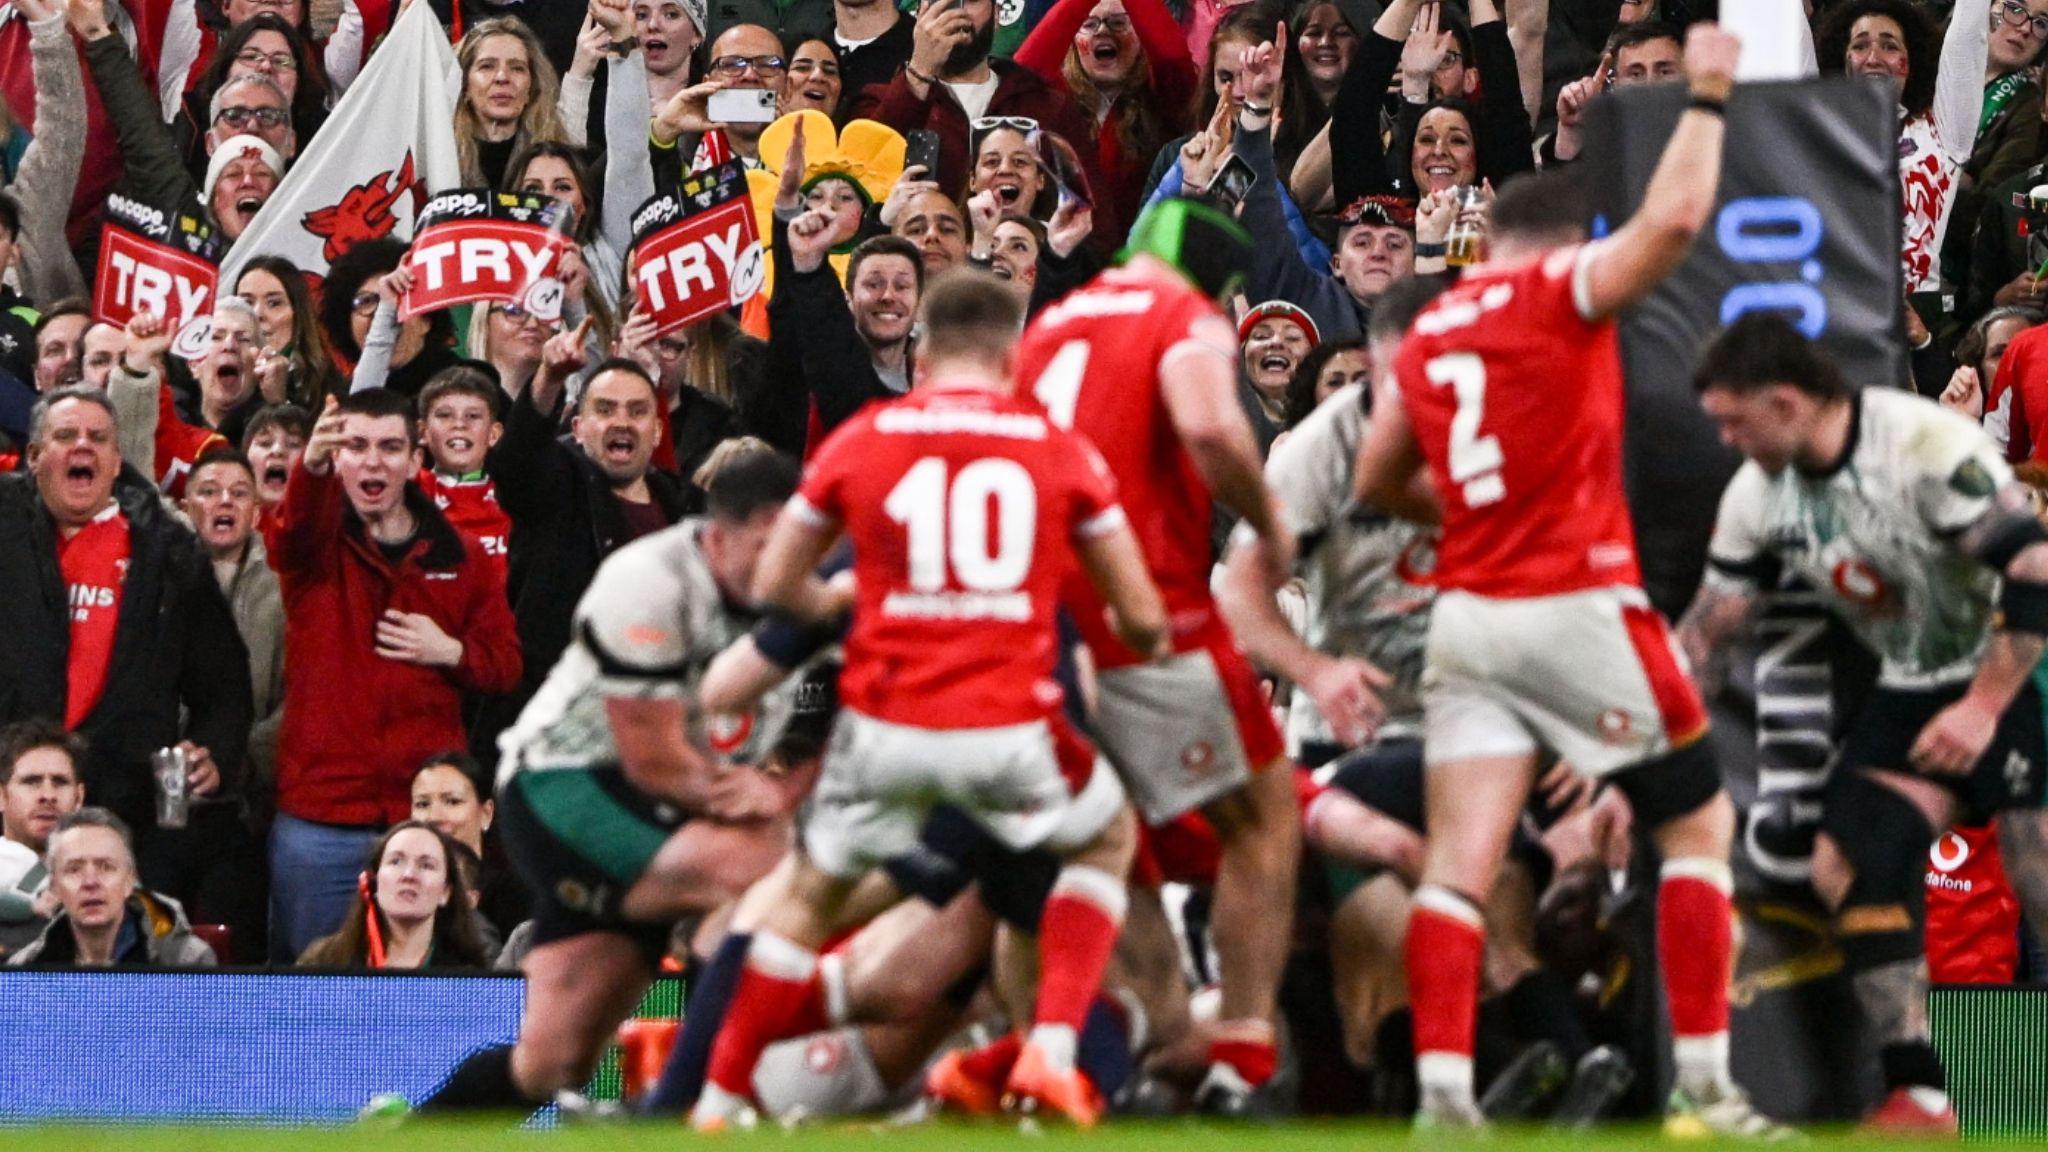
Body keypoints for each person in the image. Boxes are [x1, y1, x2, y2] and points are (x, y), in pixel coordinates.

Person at [1348, 24, 1775, 1134]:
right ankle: (1705, 1089)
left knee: (1457, 863)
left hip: (1471, 618)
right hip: (1578, 601)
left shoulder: (1436, 322)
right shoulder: (1557, 292)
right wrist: (1714, 89)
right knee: (1692, 831)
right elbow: (1675, 220)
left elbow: (1374, 474)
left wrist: (1469, 516)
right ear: (1567, 242)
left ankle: (1444, 1098)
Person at [691, 271, 1165, 1130]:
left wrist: (841, 603)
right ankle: (1055, 1055)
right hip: (1013, 731)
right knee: (1104, 838)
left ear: (922, 350)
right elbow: (1140, 615)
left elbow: (773, 582)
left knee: (803, 904)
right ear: (1012, 354)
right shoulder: (1054, 446)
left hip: (884, 729)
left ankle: (715, 1098)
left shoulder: (865, 438)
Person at [1680, 314, 2048, 1133]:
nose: (1727, 441)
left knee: (2040, 881)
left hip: (2011, 671)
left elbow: (2034, 568)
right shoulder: (1756, 493)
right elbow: (1709, 633)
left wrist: (1985, 707)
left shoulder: (1919, 446)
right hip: (1913, 683)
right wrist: (1640, 750)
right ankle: (1918, 1092)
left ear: (1783, 402)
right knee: (1842, 860)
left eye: (1733, 421)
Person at [373, 451, 803, 1118]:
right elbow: (652, 758)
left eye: (795, 547)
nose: (781, 567)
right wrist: (763, 802)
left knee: (552, 1060)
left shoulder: (807, 598)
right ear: (716, 537)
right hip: (566, 790)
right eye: (763, 547)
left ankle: (404, 1136)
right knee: (767, 869)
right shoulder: (650, 580)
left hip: (661, 814)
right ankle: (680, 1112)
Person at [1008, 196, 1298, 1115]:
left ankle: (1076, 1063)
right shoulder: (1185, 316)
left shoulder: (1051, 325)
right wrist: (1270, 523)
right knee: (1267, 817)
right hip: (1147, 615)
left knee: (1105, 852)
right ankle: (1243, 1057)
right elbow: (1211, 427)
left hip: (1045, 632)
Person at [267, 390, 522, 961]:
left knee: (435, 989)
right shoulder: (313, 550)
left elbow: (505, 665)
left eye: (389, 447)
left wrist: (452, 651)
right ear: (336, 459)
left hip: (425, 820)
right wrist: (308, 468)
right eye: (355, 447)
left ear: (415, 461)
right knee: (307, 995)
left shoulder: (462, 559)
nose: (372, 462)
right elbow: (289, 534)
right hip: (321, 820)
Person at [0, 387, 254, 913]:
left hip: (128, 815)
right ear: (33, 457)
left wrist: (213, 751)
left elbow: (225, 684)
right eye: (65, 436)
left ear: (118, 461)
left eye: (98, 438)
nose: (83, 448)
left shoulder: (168, 550)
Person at [473, 351, 692, 777]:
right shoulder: (557, 487)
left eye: (637, 411)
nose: (622, 422)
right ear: (578, 428)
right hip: (559, 741)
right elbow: (514, 466)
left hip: (653, 745)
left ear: (656, 430)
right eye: (605, 410)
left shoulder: (684, 509)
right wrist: (549, 380)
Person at [1817, 0, 1991, 296]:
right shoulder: (1817, 134)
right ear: (1842, 59)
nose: (1873, 58)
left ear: (1913, 61)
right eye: (1860, 46)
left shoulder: (1940, 134)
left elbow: (1968, 37)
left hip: (1917, 317)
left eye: (1889, 46)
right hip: (1834, 309)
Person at [855, 0, 1100, 197]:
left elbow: (1094, 220)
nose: (955, 14)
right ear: (919, 14)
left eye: (970, 0)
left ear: (996, 14)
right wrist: (920, 70)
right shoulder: (876, 101)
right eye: (940, 2)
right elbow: (861, 187)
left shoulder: (1046, 105)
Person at [1013, 0, 1199, 241]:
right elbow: (1021, 74)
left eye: (1118, 23)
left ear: (1142, 35)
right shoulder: (1055, 101)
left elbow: (1172, 57)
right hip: (1064, 259)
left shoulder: (1163, 98)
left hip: (1141, 261)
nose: (1102, 31)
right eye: (1088, 24)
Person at [181, 450, 286, 828]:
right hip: (155, 791)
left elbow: (297, 700)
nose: (224, 501)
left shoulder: (284, 593)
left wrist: (237, 762)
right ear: (185, 507)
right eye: (209, 491)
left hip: (249, 804)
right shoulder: (152, 583)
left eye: (239, 493)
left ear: (257, 513)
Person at [8, 808, 219, 967]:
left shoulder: (187, 961)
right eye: (74, 869)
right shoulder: (26, 969)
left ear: (130, 881)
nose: (90, 882)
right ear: (55, 888)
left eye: (106, 867)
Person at [299, 821, 493, 968]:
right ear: (373, 882)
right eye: (396, 861)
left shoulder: (468, 974)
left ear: (446, 892)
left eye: (426, 865)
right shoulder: (324, 960)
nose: (409, 875)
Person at [415, 369, 512, 582]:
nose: (459, 424)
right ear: (422, 432)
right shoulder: (409, 494)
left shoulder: (516, 496)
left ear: (494, 434)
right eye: (445, 415)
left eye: (473, 416)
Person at [0, 721, 87, 956]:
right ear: (1, 795)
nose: (48, 795)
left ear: (79, 798)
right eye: (31, 782)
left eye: (60, 782)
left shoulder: (107, 875)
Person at [455, 18, 570, 189]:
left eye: (517, 68)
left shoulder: (561, 157)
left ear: (532, 88)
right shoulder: (438, 155)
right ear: (463, 86)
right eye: (487, 66)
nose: (502, 77)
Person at [233, 256, 347, 412]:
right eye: (247, 303)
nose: (257, 314)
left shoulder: (331, 390)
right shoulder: (212, 380)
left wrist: (278, 401)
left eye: (274, 303)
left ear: (298, 315)